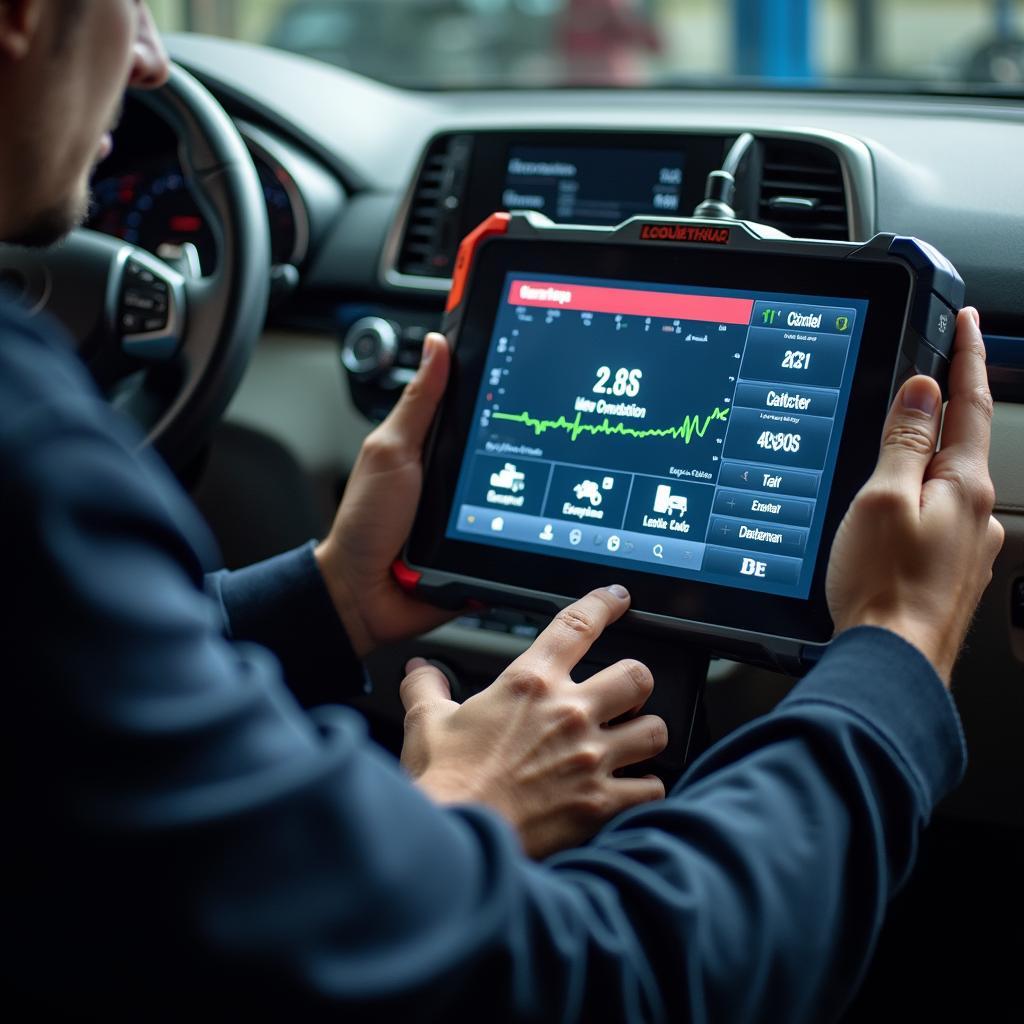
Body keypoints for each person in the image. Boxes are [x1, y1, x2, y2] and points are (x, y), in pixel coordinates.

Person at [1, 1, 1004, 1019]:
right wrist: (895, 649)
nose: (147, 54)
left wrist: (332, 595)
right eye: (127, 2)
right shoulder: (31, 450)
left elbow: (49, 704)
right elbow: (602, 976)